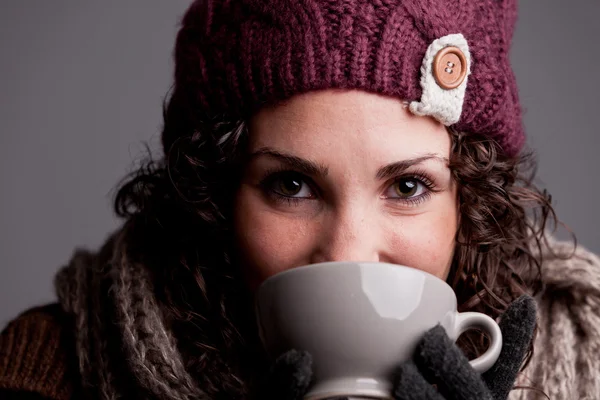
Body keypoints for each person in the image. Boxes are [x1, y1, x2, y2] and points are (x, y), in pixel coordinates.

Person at [1, 0, 599, 399]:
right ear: (215, 197)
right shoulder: (50, 367)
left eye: (408, 186)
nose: (348, 253)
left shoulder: (587, 360)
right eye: (292, 186)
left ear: (470, 207)